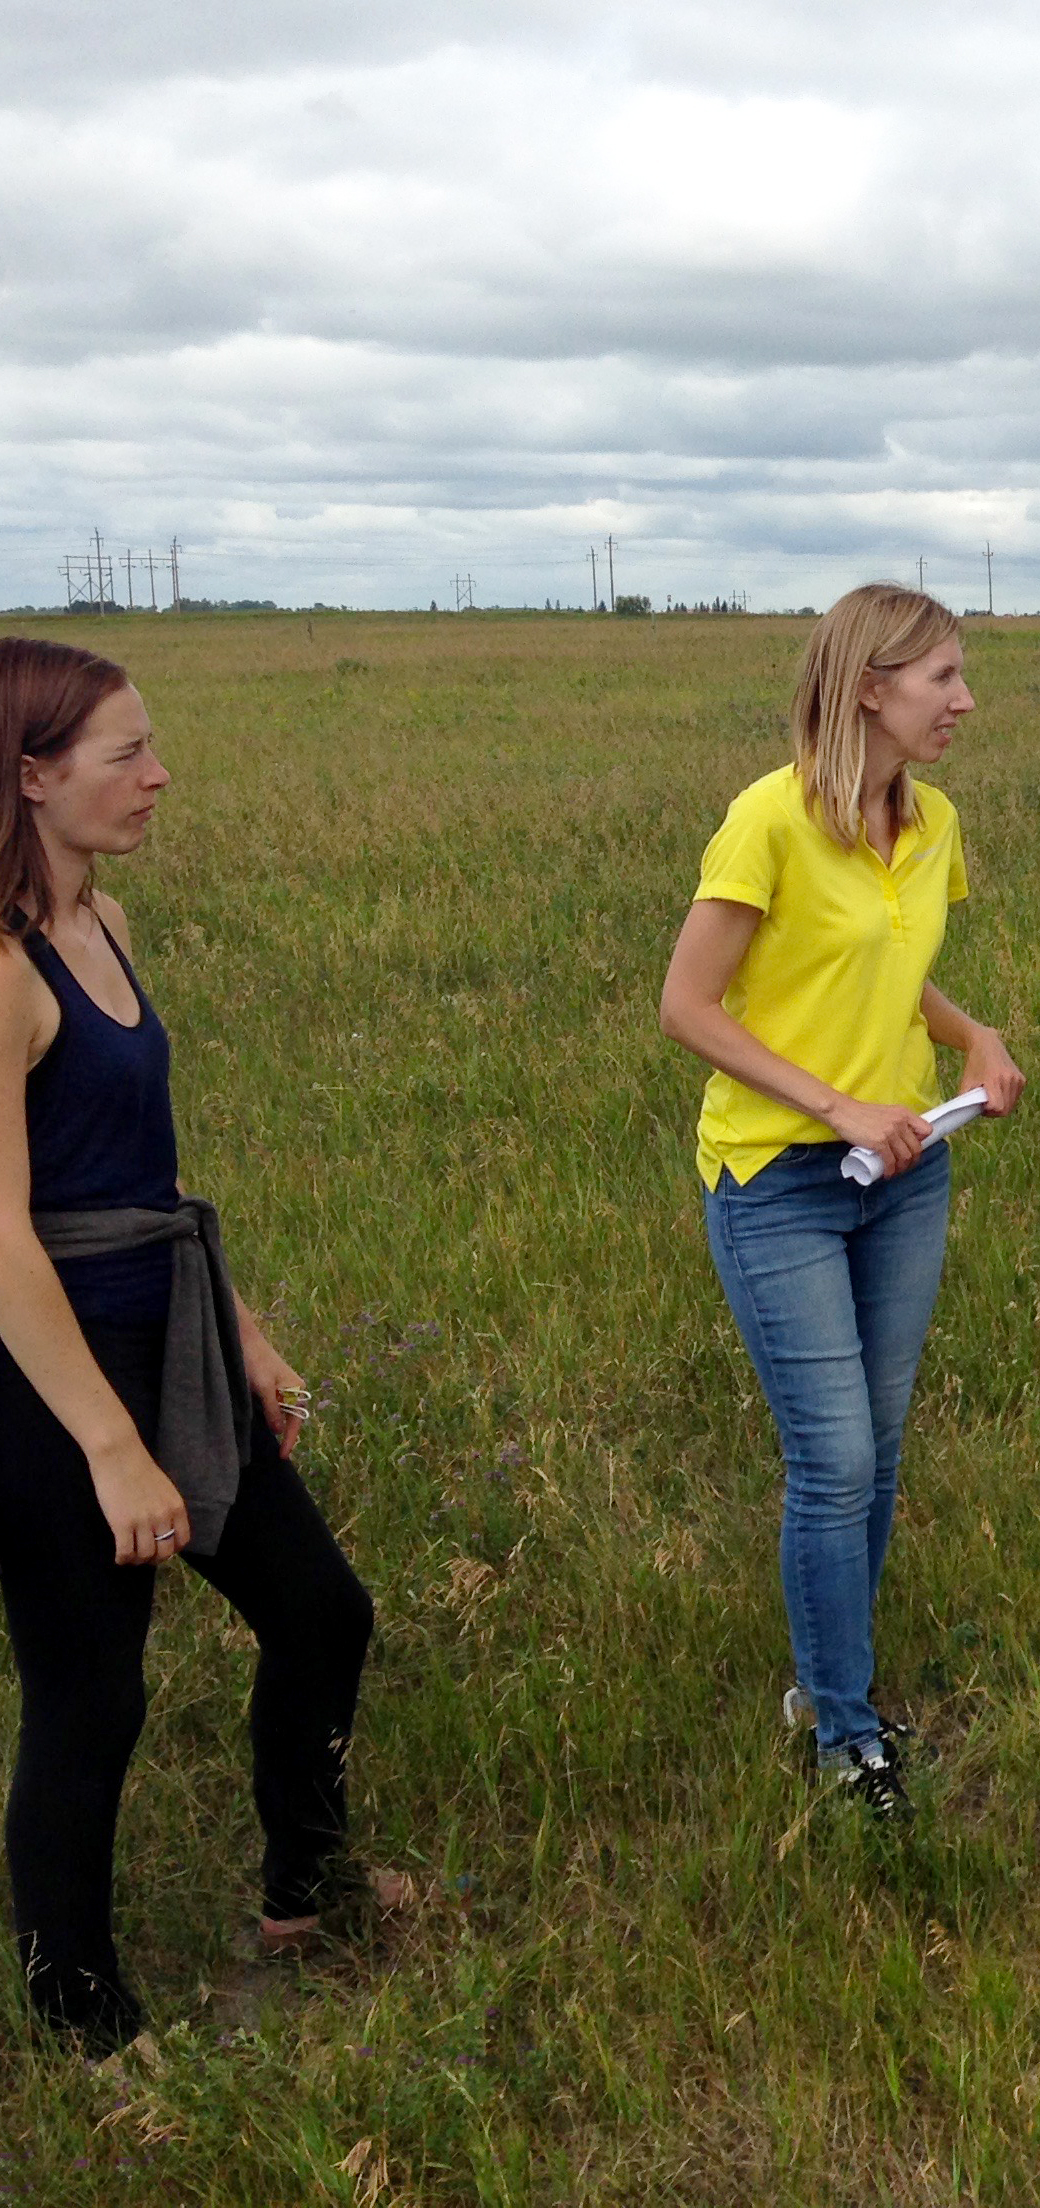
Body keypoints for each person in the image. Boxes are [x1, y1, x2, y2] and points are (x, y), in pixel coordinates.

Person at [0, 639, 375, 2054]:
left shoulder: (106, 922)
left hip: (171, 1337)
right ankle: (85, 2018)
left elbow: (145, 1178)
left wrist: (242, 1326)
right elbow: (3, 1239)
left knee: (324, 1613)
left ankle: (304, 1888)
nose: (158, 778)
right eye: (124, 756)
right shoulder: (5, 968)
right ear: (31, 776)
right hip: (49, 1388)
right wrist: (108, 1449)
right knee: (90, 1698)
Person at [658, 584, 1025, 1826]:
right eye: (942, 681)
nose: (965, 702)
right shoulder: (766, 819)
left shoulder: (932, 823)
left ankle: (828, 1689)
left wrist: (973, 1035)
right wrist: (837, 1108)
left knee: (878, 1453)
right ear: (868, 686)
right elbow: (689, 1010)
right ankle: (846, 1733)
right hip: (777, 1180)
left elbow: (896, 973)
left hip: (906, 1169)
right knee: (835, 1462)